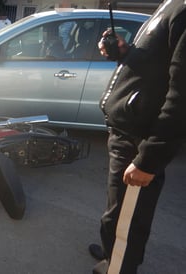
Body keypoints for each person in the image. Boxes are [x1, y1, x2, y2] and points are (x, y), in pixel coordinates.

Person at [90, 0, 186, 273]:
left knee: (125, 224)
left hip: (139, 142)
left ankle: (119, 264)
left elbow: (182, 96)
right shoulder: (172, 4)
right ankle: (114, 256)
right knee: (118, 218)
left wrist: (150, 158)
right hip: (126, 136)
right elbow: (156, 69)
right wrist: (124, 52)